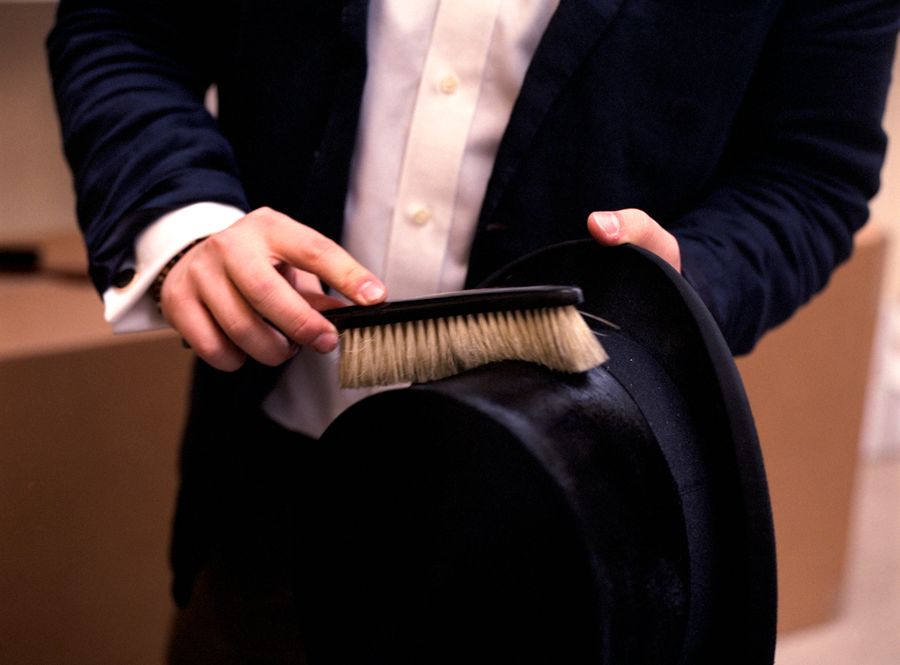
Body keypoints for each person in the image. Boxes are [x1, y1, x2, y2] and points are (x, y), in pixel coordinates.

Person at [47, 0, 900, 662]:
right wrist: (183, 219)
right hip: (271, 502)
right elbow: (122, 27)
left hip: (584, 532)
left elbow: (808, 171)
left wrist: (682, 285)